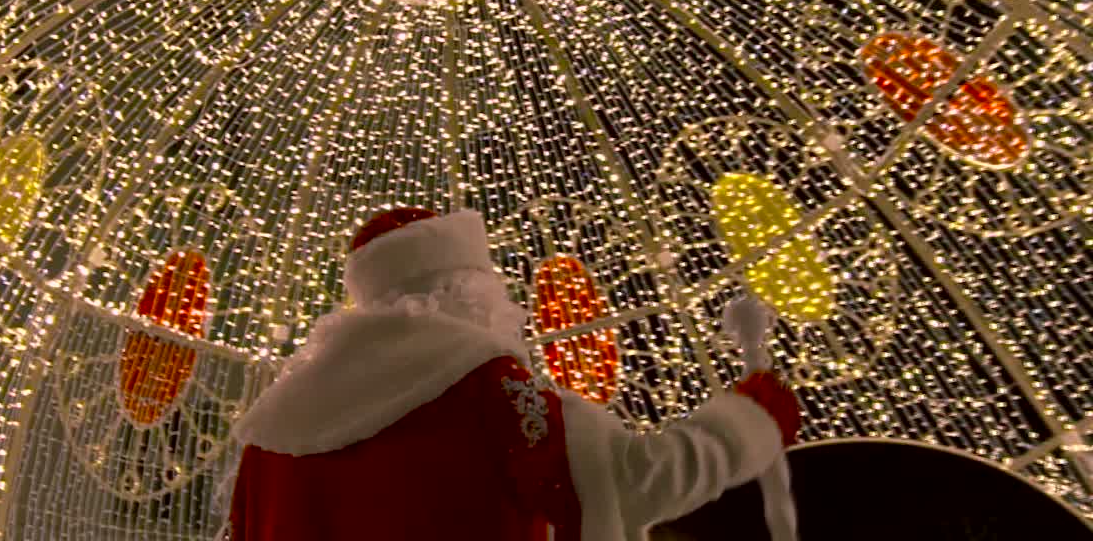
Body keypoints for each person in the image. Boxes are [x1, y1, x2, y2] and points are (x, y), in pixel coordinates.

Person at [222, 208, 801, 541]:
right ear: (467, 290)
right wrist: (748, 421)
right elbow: (623, 483)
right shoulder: (485, 386)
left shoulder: (270, 432)